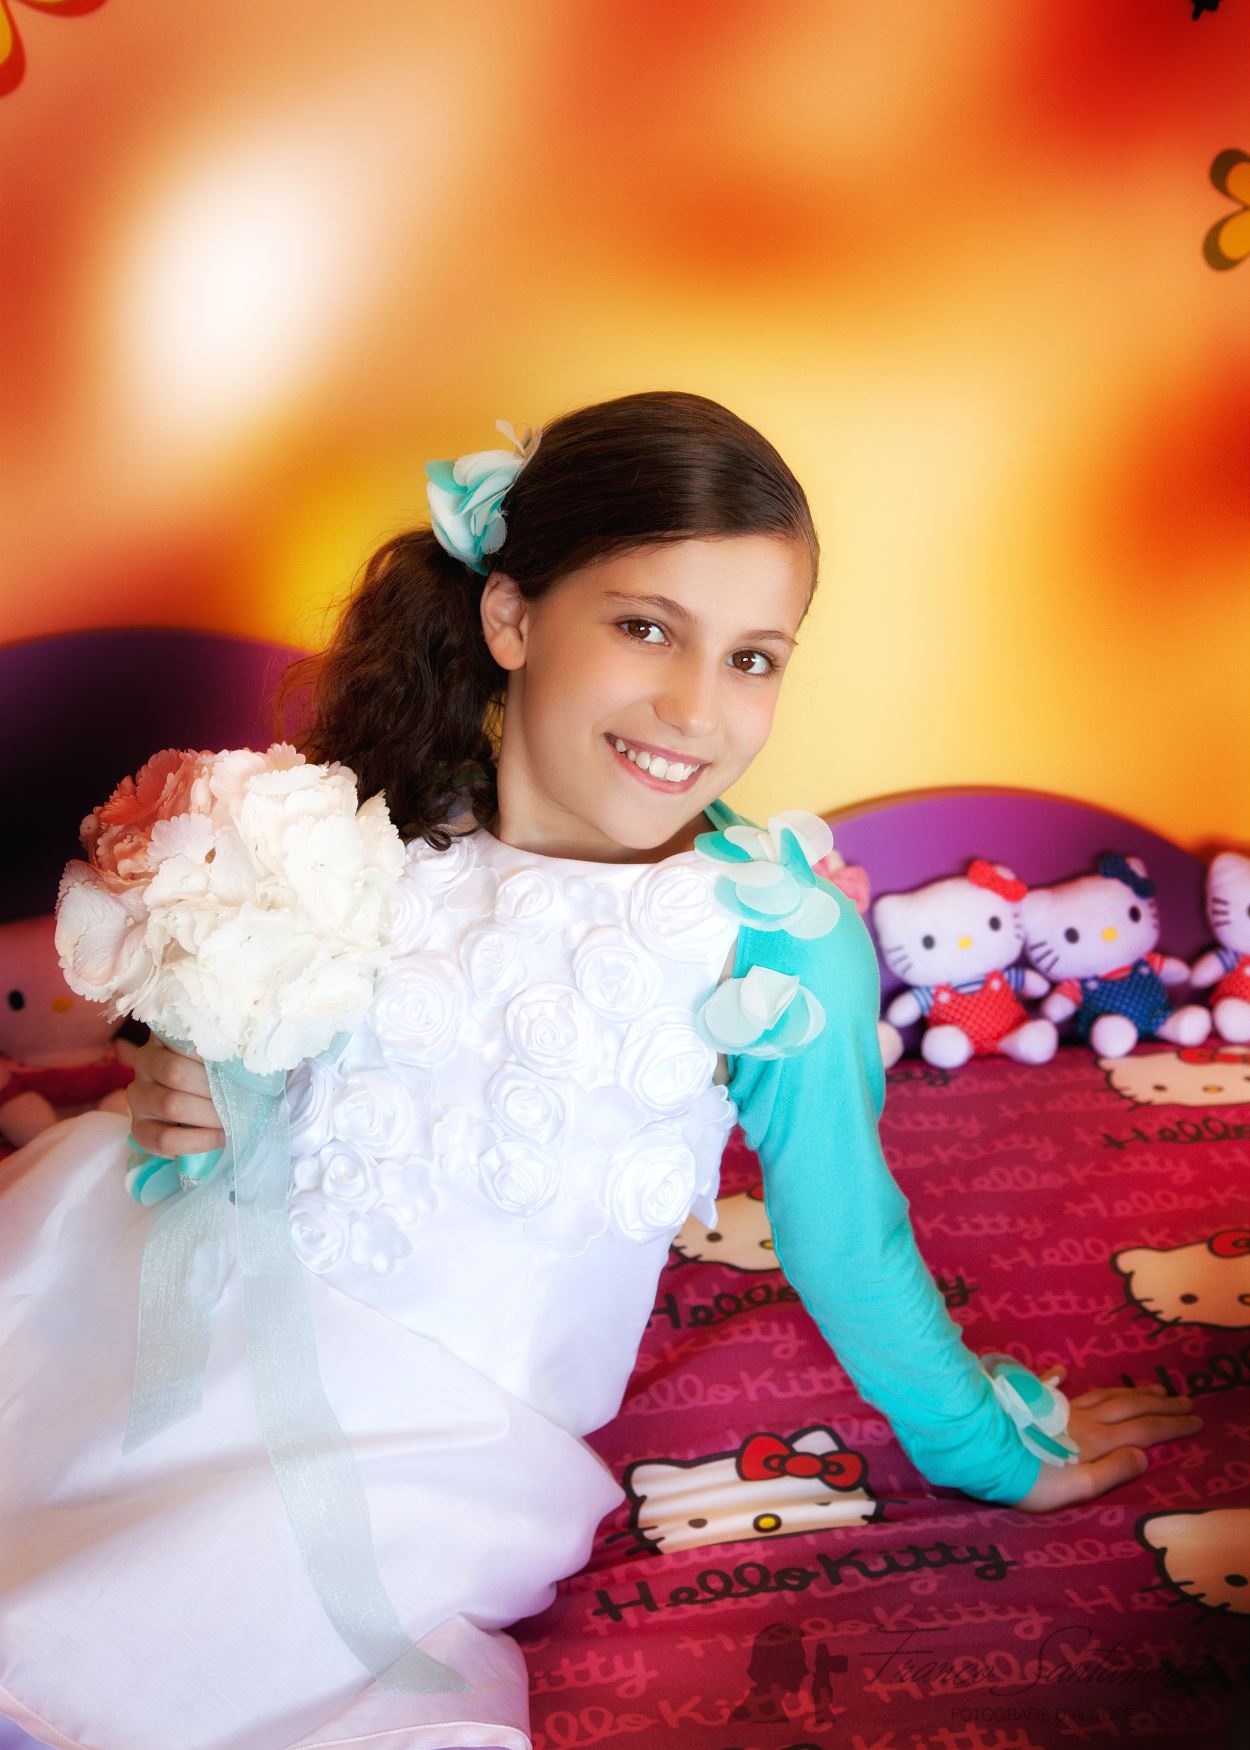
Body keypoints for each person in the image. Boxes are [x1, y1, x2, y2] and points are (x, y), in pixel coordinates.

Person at [0, 391, 1201, 1750]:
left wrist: (985, 1445)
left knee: (192, 1635)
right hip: (183, 1290)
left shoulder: (771, 933)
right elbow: (262, 1069)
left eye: (752, 657)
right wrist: (188, 1086)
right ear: (512, 617)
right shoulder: (362, 829)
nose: (696, 708)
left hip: (431, 1434)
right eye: (646, 628)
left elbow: (842, 1231)